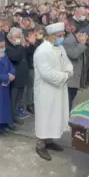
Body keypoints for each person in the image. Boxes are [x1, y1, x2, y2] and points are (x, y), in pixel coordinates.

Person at [33, 23, 73, 161]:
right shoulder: (42, 51)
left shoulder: (60, 47)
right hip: (46, 90)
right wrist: (66, 76)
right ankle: (40, 145)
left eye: (63, 35)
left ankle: (49, 141)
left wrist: (69, 70)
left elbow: (67, 62)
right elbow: (47, 74)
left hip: (58, 88)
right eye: (59, 36)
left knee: (54, 115)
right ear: (50, 36)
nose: (62, 38)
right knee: (45, 117)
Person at [62, 24, 89, 109]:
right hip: (70, 79)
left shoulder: (77, 41)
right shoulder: (68, 42)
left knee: (72, 96)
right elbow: (74, 55)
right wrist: (82, 44)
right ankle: (65, 118)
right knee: (67, 100)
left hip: (76, 77)